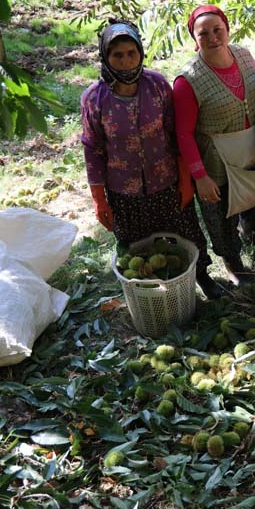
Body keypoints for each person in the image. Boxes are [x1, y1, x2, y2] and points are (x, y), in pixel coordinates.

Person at [80, 19, 220, 299]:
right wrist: (99, 198)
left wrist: (185, 181)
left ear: (141, 53)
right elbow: (92, 148)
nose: (125, 62)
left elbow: (175, 134)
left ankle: (202, 277)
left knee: (188, 236)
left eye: (131, 53)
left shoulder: (156, 85)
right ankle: (151, 295)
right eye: (117, 55)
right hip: (124, 192)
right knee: (138, 250)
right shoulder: (94, 99)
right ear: (105, 57)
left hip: (166, 183)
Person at [174, 4, 255, 286]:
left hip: (253, 146)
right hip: (217, 158)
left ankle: (253, 230)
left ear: (227, 28)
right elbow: (183, 134)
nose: (212, 37)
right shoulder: (188, 81)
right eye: (203, 33)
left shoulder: (243, 55)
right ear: (194, 38)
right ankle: (232, 261)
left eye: (217, 29)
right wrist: (201, 176)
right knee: (221, 217)